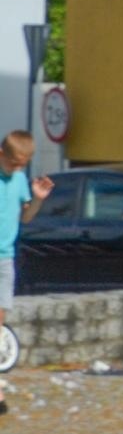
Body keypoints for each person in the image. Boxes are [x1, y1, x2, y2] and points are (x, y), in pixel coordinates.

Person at [0, 132, 51, 417]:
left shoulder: (19, 180)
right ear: (1, 154)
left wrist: (39, 199)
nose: (17, 169)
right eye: (13, 164)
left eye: (22, 164)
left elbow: (26, 217)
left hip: (5, 258)